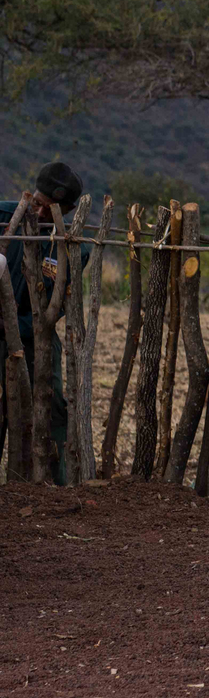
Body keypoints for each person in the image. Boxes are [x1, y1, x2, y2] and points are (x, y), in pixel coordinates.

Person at [1, 162, 86, 483]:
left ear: (68, 211)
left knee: (52, 409)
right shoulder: (3, 217)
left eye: (49, 209)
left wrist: (15, 328)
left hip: (36, 338)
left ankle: (52, 485)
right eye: (36, 203)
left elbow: (56, 307)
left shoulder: (74, 247)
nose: (38, 212)